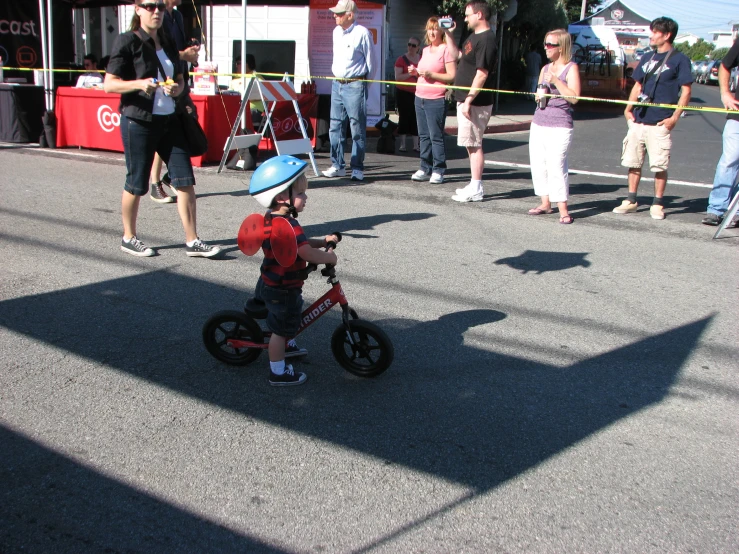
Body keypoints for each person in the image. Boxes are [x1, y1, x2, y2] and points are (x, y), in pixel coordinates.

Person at [104, 1, 221, 258]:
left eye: (159, 6)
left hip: (170, 119)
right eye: (149, 6)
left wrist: (176, 88)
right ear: (138, 10)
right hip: (139, 121)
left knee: (185, 180)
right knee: (136, 182)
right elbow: (109, 85)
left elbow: (178, 78)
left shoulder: (167, 41)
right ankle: (129, 237)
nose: (156, 11)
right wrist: (139, 84)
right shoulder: (127, 42)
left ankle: (193, 241)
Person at [248, 155, 340, 386]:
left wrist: (322, 241)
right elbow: (305, 253)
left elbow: (300, 244)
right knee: (281, 328)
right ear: (281, 197)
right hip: (283, 289)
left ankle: (287, 342)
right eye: (300, 194)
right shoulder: (290, 224)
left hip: (270, 281)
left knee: (287, 320)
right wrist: (329, 256)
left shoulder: (272, 219)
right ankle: (277, 372)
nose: (305, 197)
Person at [613, 17, 692, 220]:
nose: (651, 35)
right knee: (633, 162)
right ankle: (631, 199)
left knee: (659, 165)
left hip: (660, 121)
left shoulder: (680, 59)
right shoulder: (647, 57)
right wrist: (628, 109)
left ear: (666, 35)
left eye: (655, 32)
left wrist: (675, 117)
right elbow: (637, 86)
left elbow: (685, 91)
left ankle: (657, 203)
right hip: (639, 119)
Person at [149, 0, 201, 204]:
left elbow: (177, 45)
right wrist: (183, 54)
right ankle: (155, 183)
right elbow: (157, 50)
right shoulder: (157, 15)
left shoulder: (177, 16)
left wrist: (191, 50)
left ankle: (170, 176)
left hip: (180, 78)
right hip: (163, 81)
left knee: (188, 123)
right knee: (167, 129)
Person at [527, 29, 581, 224]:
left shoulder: (570, 68)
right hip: (540, 120)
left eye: (550, 45)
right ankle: (545, 202)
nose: (546, 48)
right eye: (545, 44)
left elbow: (574, 98)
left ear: (562, 47)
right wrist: (538, 96)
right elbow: (540, 92)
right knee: (538, 163)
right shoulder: (545, 68)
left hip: (560, 123)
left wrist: (557, 81)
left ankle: (563, 209)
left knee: (556, 165)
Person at [322, 0, 376, 182]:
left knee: (356, 128)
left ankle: (357, 167)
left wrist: (362, 87)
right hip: (337, 83)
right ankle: (337, 165)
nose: (334, 16)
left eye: (339, 13)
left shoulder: (362, 33)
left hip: (355, 84)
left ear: (350, 15)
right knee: (335, 125)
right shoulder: (336, 32)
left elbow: (372, 64)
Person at [450, 1, 497, 203]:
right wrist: (449, 34)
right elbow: (458, 56)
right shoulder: (473, 36)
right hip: (464, 99)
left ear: (479, 15)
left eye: (468, 14)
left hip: (476, 102)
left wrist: (469, 99)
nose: (465, 18)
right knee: (469, 144)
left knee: (475, 144)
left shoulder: (487, 39)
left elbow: (482, 73)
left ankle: (477, 187)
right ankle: (473, 182)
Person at [410, 17, 457, 185]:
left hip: (436, 99)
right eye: (429, 29)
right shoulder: (425, 50)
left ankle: (438, 169)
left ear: (441, 31)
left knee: (435, 136)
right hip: (419, 96)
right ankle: (424, 166)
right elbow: (423, 71)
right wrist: (415, 72)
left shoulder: (445, 50)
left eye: (435, 28)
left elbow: (452, 75)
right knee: (423, 136)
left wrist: (432, 76)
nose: (431, 32)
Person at [702, 37, 739, 226]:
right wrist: (725, 93)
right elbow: (725, 65)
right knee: (729, 162)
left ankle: (736, 211)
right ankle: (716, 209)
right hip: (737, 117)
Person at [394, 37, 420, 153]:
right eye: (409, 44)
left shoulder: (422, 60)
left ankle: (416, 145)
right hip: (403, 92)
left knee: (416, 118)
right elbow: (398, 77)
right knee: (403, 117)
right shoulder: (401, 59)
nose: (411, 47)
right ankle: (403, 144)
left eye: (414, 45)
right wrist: (410, 74)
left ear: (418, 48)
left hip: (418, 92)